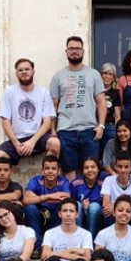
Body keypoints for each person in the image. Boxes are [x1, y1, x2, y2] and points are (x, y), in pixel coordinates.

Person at [50, 36, 107, 180]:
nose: (74, 52)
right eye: (71, 49)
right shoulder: (58, 76)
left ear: (83, 51)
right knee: (69, 170)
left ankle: (88, 201)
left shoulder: (93, 74)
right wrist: (53, 129)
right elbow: (53, 106)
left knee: (90, 170)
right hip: (66, 130)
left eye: (77, 49)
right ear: (66, 51)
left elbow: (101, 102)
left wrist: (101, 126)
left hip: (89, 130)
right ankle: (72, 202)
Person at [0, 58, 59, 165]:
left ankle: (48, 178)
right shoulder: (10, 92)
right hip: (17, 139)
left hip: (38, 138)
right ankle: (9, 181)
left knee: (55, 143)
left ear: (33, 71)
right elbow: (5, 121)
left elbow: (47, 122)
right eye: (20, 70)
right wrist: (16, 143)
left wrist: (33, 141)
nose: (24, 72)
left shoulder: (43, 93)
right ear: (16, 73)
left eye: (27, 69)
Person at [22, 155, 71, 252]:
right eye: (47, 168)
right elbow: (26, 200)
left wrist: (37, 198)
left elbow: (66, 199)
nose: (50, 171)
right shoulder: (36, 181)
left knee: (64, 208)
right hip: (39, 216)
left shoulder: (63, 181)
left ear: (58, 170)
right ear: (42, 170)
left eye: (53, 168)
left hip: (55, 216)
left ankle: (56, 244)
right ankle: (37, 247)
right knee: (30, 209)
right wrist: (49, 196)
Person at [100, 151, 131, 229]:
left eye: (126, 167)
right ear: (115, 167)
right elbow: (105, 204)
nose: (123, 170)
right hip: (115, 212)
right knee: (108, 212)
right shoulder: (108, 180)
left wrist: (115, 205)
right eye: (120, 166)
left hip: (129, 212)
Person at [70, 157, 107, 239]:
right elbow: (69, 203)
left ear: (98, 169)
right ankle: (77, 239)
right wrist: (83, 207)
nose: (90, 170)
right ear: (82, 171)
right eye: (86, 168)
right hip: (79, 216)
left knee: (94, 206)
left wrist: (89, 208)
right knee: (77, 205)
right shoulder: (75, 184)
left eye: (93, 167)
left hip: (97, 218)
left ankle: (90, 241)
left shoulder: (104, 184)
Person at [99, 62, 122, 156]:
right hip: (95, 126)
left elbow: (117, 116)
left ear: (114, 77)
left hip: (109, 127)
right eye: (104, 73)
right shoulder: (94, 91)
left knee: (110, 153)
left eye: (110, 74)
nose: (107, 76)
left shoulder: (116, 93)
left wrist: (118, 131)